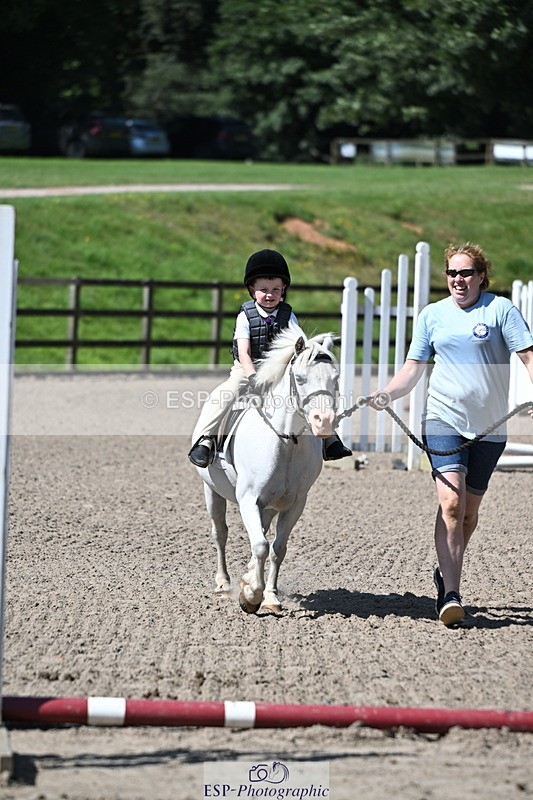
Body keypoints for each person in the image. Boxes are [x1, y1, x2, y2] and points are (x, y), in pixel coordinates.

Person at [370, 242, 533, 627]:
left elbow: (528, 355)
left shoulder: (500, 310)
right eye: (452, 273)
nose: (458, 280)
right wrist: (388, 393)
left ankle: (446, 570)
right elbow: (414, 367)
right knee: (451, 505)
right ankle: (451, 594)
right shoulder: (433, 315)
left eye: (466, 273)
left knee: (470, 514)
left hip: (490, 427)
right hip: (442, 420)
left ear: (481, 276)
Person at [188, 248, 352, 467]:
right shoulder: (245, 317)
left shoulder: (288, 315)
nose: (270, 294)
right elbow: (244, 352)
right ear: (251, 290)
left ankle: (330, 439)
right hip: (248, 369)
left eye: (276, 289)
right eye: (263, 289)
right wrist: (253, 377)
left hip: (281, 370)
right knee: (225, 393)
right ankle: (206, 440)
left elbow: (299, 347)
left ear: (283, 289)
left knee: (313, 394)